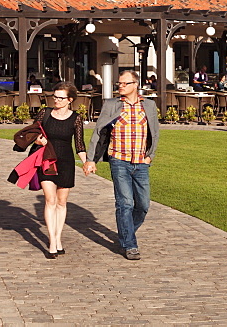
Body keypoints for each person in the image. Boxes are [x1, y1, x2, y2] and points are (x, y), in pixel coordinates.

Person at [84, 70, 160, 261]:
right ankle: (130, 245)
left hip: (141, 162)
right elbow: (99, 132)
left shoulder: (149, 105)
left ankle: (126, 233)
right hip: (119, 160)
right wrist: (91, 159)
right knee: (125, 203)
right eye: (119, 84)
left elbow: (155, 133)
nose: (120, 87)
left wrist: (150, 156)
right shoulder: (111, 105)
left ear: (135, 84)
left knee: (142, 205)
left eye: (124, 84)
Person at [30, 82, 86, 258]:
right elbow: (32, 133)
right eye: (54, 97)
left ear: (70, 100)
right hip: (46, 160)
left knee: (62, 202)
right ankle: (52, 241)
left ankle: (58, 237)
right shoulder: (45, 113)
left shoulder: (76, 118)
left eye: (61, 98)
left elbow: (79, 144)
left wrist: (86, 162)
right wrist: (38, 141)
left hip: (66, 162)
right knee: (50, 199)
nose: (56, 100)